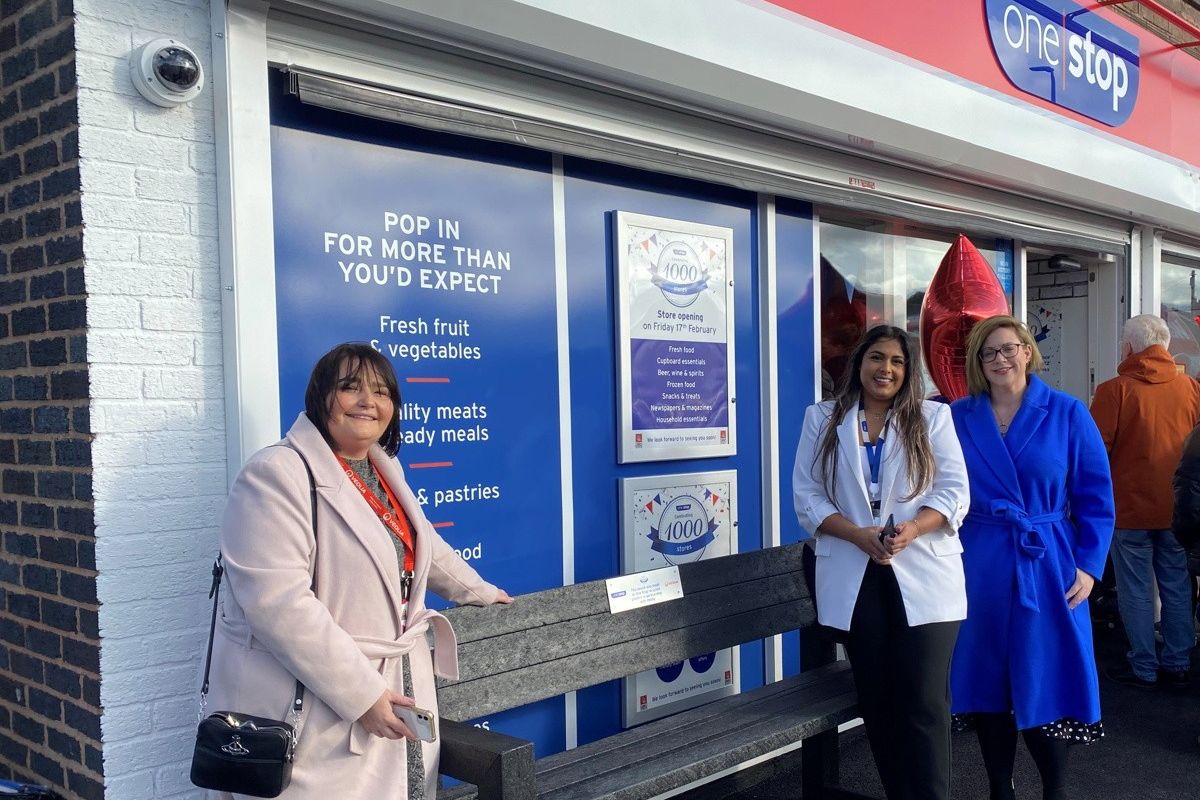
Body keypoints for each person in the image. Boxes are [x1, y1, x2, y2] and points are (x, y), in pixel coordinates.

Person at [203, 342, 512, 799]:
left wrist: (481, 591)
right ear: (320, 397)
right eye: (351, 388)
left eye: (383, 392)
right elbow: (278, 605)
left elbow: (422, 545)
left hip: (398, 683)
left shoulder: (384, 470)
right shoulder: (275, 473)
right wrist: (362, 695)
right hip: (317, 702)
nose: (370, 401)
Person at [793, 324, 970, 800]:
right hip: (855, 570)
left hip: (923, 569)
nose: (885, 369)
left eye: (896, 361)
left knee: (924, 701)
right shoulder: (823, 418)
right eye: (876, 358)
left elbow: (955, 492)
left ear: (908, 371)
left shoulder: (932, 419)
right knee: (878, 701)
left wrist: (911, 530)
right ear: (859, 363)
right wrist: (856, 535)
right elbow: (805, 495)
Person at [949, 315, 1115, 800]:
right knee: (989, 684)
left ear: (1027, 351)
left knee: (1048, 675)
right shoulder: (959, 416)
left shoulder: (1067, 412)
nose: (1000, 359)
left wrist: (1089, 565)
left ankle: (1055, 790)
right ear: (978, 363)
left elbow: (1097, 498)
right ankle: (1000, 788)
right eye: (988, 352)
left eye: (1008, 348)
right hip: (978, 564)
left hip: (1049, 565)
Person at [1089, 314, 1200, 689]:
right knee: (1177, 585)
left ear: (1128, 347)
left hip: (1129, 509)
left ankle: (1144, 666)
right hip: (1177, 510)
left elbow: (1094, 454)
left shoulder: (1113, 391)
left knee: (1135, 588)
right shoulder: (1191, 389)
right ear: (1166, 347)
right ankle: (1179, 660)